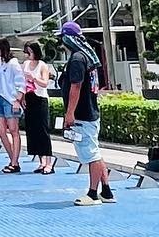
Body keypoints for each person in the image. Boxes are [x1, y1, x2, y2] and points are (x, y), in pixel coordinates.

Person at [60, 21, 113, 206]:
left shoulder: (77, 59)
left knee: (92, 155)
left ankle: (93, 194)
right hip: (90, 111)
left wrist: (70, 113)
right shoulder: (87, 57)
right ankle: (106, 190)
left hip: (82, 114)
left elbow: (76, 86)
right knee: (94, 150)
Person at [0, 38, 24, 173]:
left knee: (13, 130)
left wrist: (18, 100)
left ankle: (14, 161)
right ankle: (13, 158)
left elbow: (21, 83)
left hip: (10, 99)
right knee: (0, 129)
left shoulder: (13, 63)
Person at [22, 41, 55, 174]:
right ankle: (41, 161)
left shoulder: (42, 65)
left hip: (40, 98)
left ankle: (48, 162)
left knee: (43, 130)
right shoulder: (25, 65)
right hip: (29, 98)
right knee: (32, 130)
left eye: (29, 52)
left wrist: (34, 78)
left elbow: (45, 83)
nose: (27, 55)